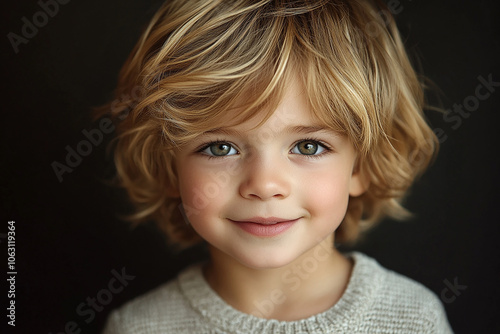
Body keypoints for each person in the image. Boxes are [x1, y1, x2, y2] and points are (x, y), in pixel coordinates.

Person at [99, 0, 453, 332]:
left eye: (308, 146)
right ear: (169, 169)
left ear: (361, 167)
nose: (265, 184)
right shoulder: (139, 327)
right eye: (221, 148)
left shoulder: (412, 319)